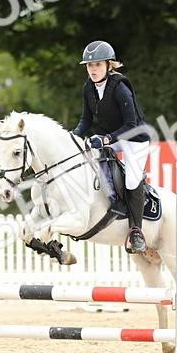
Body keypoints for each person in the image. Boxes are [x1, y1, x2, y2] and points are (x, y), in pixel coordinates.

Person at [70, 40, 152, 253]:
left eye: (97, 65)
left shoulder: (120, 87)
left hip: (136, 138)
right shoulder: (88, 88)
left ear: (108, 65)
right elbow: (86, 120)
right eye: (89, 66)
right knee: (87, 157)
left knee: (133, 179)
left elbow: (131, 125)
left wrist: (106, 139)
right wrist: (73, 136)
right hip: (111, 135)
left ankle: (136, 231)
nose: (93, 69)